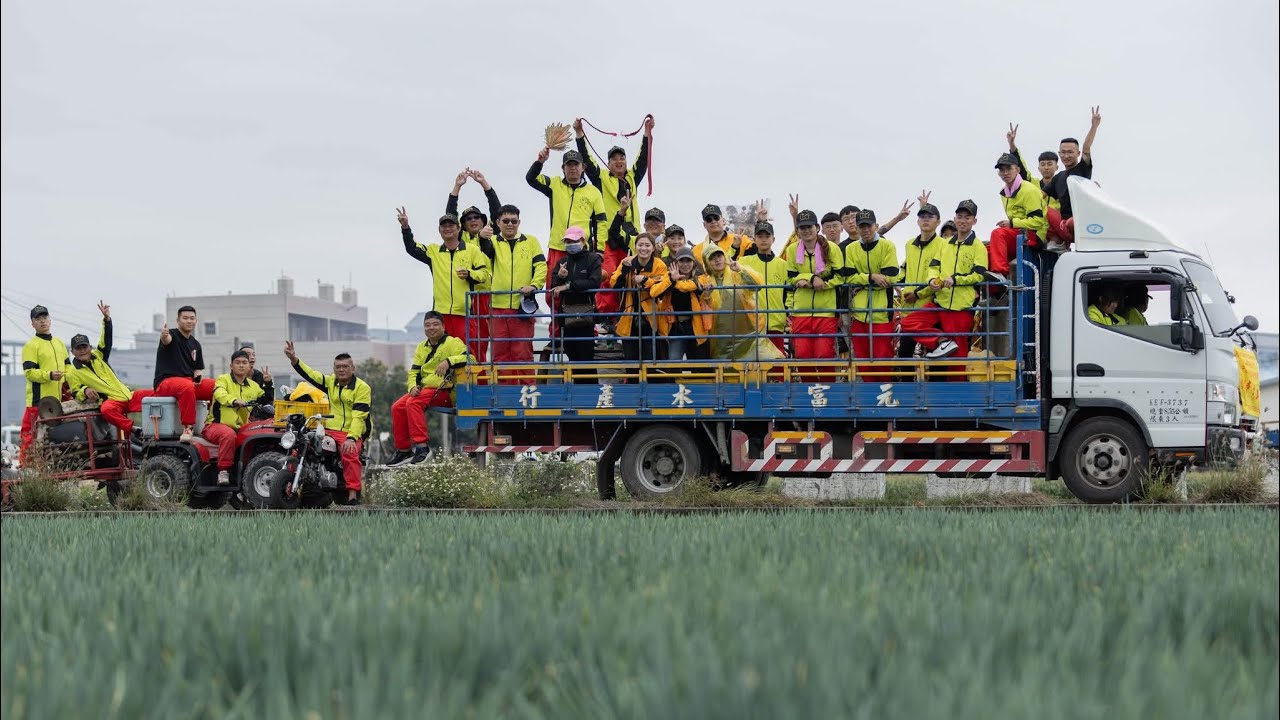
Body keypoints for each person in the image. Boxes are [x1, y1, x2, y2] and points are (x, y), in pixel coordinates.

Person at [398, 207, 492, 360]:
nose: (448, 229)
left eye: (451, 225)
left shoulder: (472, 250)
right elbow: (412, 248)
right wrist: (405, 227)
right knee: (443, 355)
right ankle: (447, 384)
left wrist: (469, 274)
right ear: (440, 230)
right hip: (441, 315)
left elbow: (484, 274)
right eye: (444, 226)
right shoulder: (433, 251)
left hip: (465, 313)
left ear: (458, 228)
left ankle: (475, 384)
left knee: (469, 353)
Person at [283, 342, 372, 504]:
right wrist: (294, 359)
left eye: (345, 366)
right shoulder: (331, 383)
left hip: (351, 431)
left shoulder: (362, 388)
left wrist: (352, 438)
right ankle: (300, 479)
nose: (341, 370)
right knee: (304, 443)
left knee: (349, 452)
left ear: (353, 368)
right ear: (334, 369)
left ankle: (352, 494)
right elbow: (311, 375)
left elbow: (359, 416)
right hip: (329, 429)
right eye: (338, 367)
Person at [388, 311, 471, 466]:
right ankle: (404, 450)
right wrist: (412, 386)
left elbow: (469, 357)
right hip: (425, 390)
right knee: (397, 407)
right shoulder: (421, 346)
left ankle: (422, 448)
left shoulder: (453, 342)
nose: (431, 328)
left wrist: (449, 361)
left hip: (445, 390)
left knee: (412, 403)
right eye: (427, 325)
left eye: (435, 324)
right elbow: (414, 371)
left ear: (443, 327)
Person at [66, 301, 154, 438]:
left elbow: (106, 340)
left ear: (90, 347)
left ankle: (175, 426)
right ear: (72, 351)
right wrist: (85, 390)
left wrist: (106, 320)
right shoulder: (72, 372)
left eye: (84, 347)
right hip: (112, 401)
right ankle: (134, 430)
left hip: (128, 395)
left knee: (158, 393)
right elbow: (76, 392)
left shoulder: (99, 356)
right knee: (106, 409)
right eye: (78, 348)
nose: (82, 350)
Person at [921, 200, 989, 366]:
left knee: (957, 358)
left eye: (967, 217)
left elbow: (980, 276)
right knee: (910, 322)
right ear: (955, 218)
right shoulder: (944, 244)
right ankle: (943, 341)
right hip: (940, 302)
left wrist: (956, 279)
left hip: (961, 307)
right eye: (960, 216)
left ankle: (959, 392)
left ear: (974, 221)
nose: (963, 220)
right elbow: (933, 267)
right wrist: (931, 280)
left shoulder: (978, 247)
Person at [447, 168, 504, 360]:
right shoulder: (460, 238)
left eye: (476, 217)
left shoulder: (491, 233)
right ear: (462, 224)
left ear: (483, 220)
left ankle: (481, 379)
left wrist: (484, 184)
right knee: (464, 342)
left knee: (483, 340)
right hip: (465, 296)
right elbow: (450, 214)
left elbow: (498, 212)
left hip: (486, 295)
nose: (473, 220)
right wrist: (457, 187)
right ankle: (467, 379)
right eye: (468, 219)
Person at [488, 205, 547, 383]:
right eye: (505, 221)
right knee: (500, 354)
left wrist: (534, 285)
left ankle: (528, 393)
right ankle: (505, 396)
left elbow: (541, 266)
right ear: (497, 223)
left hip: (522, 306)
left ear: (519, 222)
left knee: (523, 352)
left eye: (514, 221)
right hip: (497, 307)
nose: (510, 224)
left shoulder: (531, 241)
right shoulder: (490, 242)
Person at [525, 147, 608, 273]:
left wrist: (600, 251)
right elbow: (531, 178)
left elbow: (601, 222)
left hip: (582, 249)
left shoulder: (594, 192)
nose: (573, 168)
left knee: (581, 289)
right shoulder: (554, 184)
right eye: (569, 165)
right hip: (558, 247)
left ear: (583, 167)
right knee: (554, 288)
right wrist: (540, 162)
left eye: (576, 164)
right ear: (563, 168)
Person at [701, 246, 784, 361]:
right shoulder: (705, 281)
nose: (717, 260)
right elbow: (704, 309)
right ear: (707, 262)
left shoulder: (736, 272)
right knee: (725, 371)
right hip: (721, 337)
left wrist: (740, 270)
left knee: (764, 363)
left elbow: (756, 285)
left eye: (719, 255)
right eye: (712, 258)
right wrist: (706, 295)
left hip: (749, 333)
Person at [844, 209, 900, 377]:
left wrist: (862, 280)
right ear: (857, 228)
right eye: (862, 226)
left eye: (869, 226)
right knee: (862, 359)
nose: (866, 230)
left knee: (883, 357)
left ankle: (883, 395)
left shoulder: (887, 245)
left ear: (875, 226)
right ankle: (868, 397)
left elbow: (890, 276)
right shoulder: (851, 248)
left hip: (882, 312)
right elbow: (848, 278)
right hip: (858, 314)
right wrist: (872, 277)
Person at [785, 209, 844, 368]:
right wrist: (810, 278)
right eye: (802, 228)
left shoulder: (831, 248)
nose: (806, 231)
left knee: (824, 354)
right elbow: (790, 276)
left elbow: (840, 276)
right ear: (797, 231)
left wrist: (823, 284)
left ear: (817, 228)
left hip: (826, 310)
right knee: (802, 355)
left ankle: (826, 391)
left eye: (809, 227)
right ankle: (806, 391)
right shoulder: (792, 249)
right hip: (801, 310)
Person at [573, 116, 653, 229]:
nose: (619, 161)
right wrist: (579, 133)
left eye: (622, 158)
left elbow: (643, 158)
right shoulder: (601, 177)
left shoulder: (632, 176)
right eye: (614, 159)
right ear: (608, 163)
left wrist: (647, 132)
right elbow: (586, 158)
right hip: (608, 237)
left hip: (631, 237)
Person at [203, 350, 268, 485]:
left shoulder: (254, 386)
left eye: (244, 363)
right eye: (237, 362)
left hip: (241, 427)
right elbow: (220, 393)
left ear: (249, 366)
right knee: (228, 435)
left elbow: (266, 400)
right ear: (231, 366)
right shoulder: (223, 379)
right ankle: (223, 471)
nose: (241, 365)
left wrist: (269, 383)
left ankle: (249, 472)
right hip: (216, 425)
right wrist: (234, 401)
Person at [153, 305, 216, 442]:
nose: (189, 321)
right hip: (166, 382)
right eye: (185, 318)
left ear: (196, 321)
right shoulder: (172, 334)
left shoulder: (196, 344)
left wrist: (198, 381)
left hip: (188, 381)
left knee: (216, 386)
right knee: (186, 386)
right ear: (178, 320)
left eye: (192, 318)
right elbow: (166, 340)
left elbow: (197, 370)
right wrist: (164, 335)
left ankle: (213, 422)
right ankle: (188, 427)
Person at [1043, 106, 1102, 247]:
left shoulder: (1082, 169)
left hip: (1080, 222)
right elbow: (1039, 195)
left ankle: (1062, 240)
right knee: (1046, 210)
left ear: (1078, 153)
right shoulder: (1058, 177)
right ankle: (1058, 241)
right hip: (1062, 224)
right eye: (1063, 152)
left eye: (1070, 152)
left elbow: (1087, 148)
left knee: (1071, 222)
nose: (1066, 155)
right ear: (1059, 153)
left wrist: (1094, 126)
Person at [987, 152, 1048, 284]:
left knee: (998, 234)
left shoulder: (1029, 190)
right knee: (985, 251)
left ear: (1017, 170)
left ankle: (1001, 274)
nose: (1005, 173)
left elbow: (1038, 222)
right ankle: (995, 293)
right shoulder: (1004, 193)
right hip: (1019, 233)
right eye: (1002, 170)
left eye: (1009, 168)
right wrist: (1012, 224)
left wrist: (1012, 223)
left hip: (1034, 235)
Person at [19, 304, 70, 461]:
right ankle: (26, 469)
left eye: (45, 317)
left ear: (50, 320)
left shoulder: (60, 343)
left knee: (53, 436)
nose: (42, 321)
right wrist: (49, 375)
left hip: (58, 401)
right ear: (32, 323)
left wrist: (66, 377)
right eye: (38, 318)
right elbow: (29, 372)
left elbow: (68, 366)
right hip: (38, 400)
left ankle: (49, 469)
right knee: (29, 435)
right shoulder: (31, 345)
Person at [898, 201, 946, 359]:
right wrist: (896, 285)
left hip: (931, 306)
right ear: (917, 221)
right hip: (908, 306)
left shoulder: (944, 245)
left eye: (930, 217)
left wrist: (918, 294)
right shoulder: (909, 244)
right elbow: (904, 270)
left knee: (934, 352)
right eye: (922, 217)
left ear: (938, 221)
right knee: (904, 351)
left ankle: (935, 383)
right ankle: (905, 384)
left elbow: (941, 275)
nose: (925, 220)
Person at [551, 228, 603, 373]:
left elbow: (594, 282)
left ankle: (589, 393)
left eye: (574, 241)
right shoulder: (562, 261)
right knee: (571, 355)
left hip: (586, 314)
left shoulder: (593, 258)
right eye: (567, 241)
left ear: (583, 241)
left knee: (586, 357)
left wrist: (567, 285)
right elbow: (553, 288)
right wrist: (560, 277)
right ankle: (575, 392)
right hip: (566, 317)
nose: (570, 244)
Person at [610, 234, 667, 363]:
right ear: (635, 247)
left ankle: (650, 382)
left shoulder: (659, 265)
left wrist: (645, 280)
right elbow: (614, 284)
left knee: (651, 359)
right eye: (640, 245)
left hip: (652, 318)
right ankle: (632, 381)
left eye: (647, 245)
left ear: (653, 248)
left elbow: (662, 288)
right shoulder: (627, 261)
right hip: (628, 315)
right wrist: (625, 269)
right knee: (631, 359)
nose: (644, 248)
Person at [652, 247, 713, 361]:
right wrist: (671, 279)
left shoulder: (702, 279)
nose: (685, 264)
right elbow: (654, 292)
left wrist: (676, 282)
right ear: (676, 263)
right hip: (675, 328)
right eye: (681, 261)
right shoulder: (668, 277)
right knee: (673, 362)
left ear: (693, 263)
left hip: (697, 328)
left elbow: (689, 287)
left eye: (688, 261)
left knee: (700, 365)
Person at [739, 220, 790, 354]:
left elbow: (789, 293)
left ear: (773, 239)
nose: (763, 240)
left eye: (767, 236)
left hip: (776, 323)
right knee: (755, 368)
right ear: (754, 239)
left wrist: (788, 314)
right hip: (752, 324)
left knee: (778, 365)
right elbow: (725, 263)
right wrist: (734, 247)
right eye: (760, 236)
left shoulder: (783, 264)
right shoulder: (745, 262)